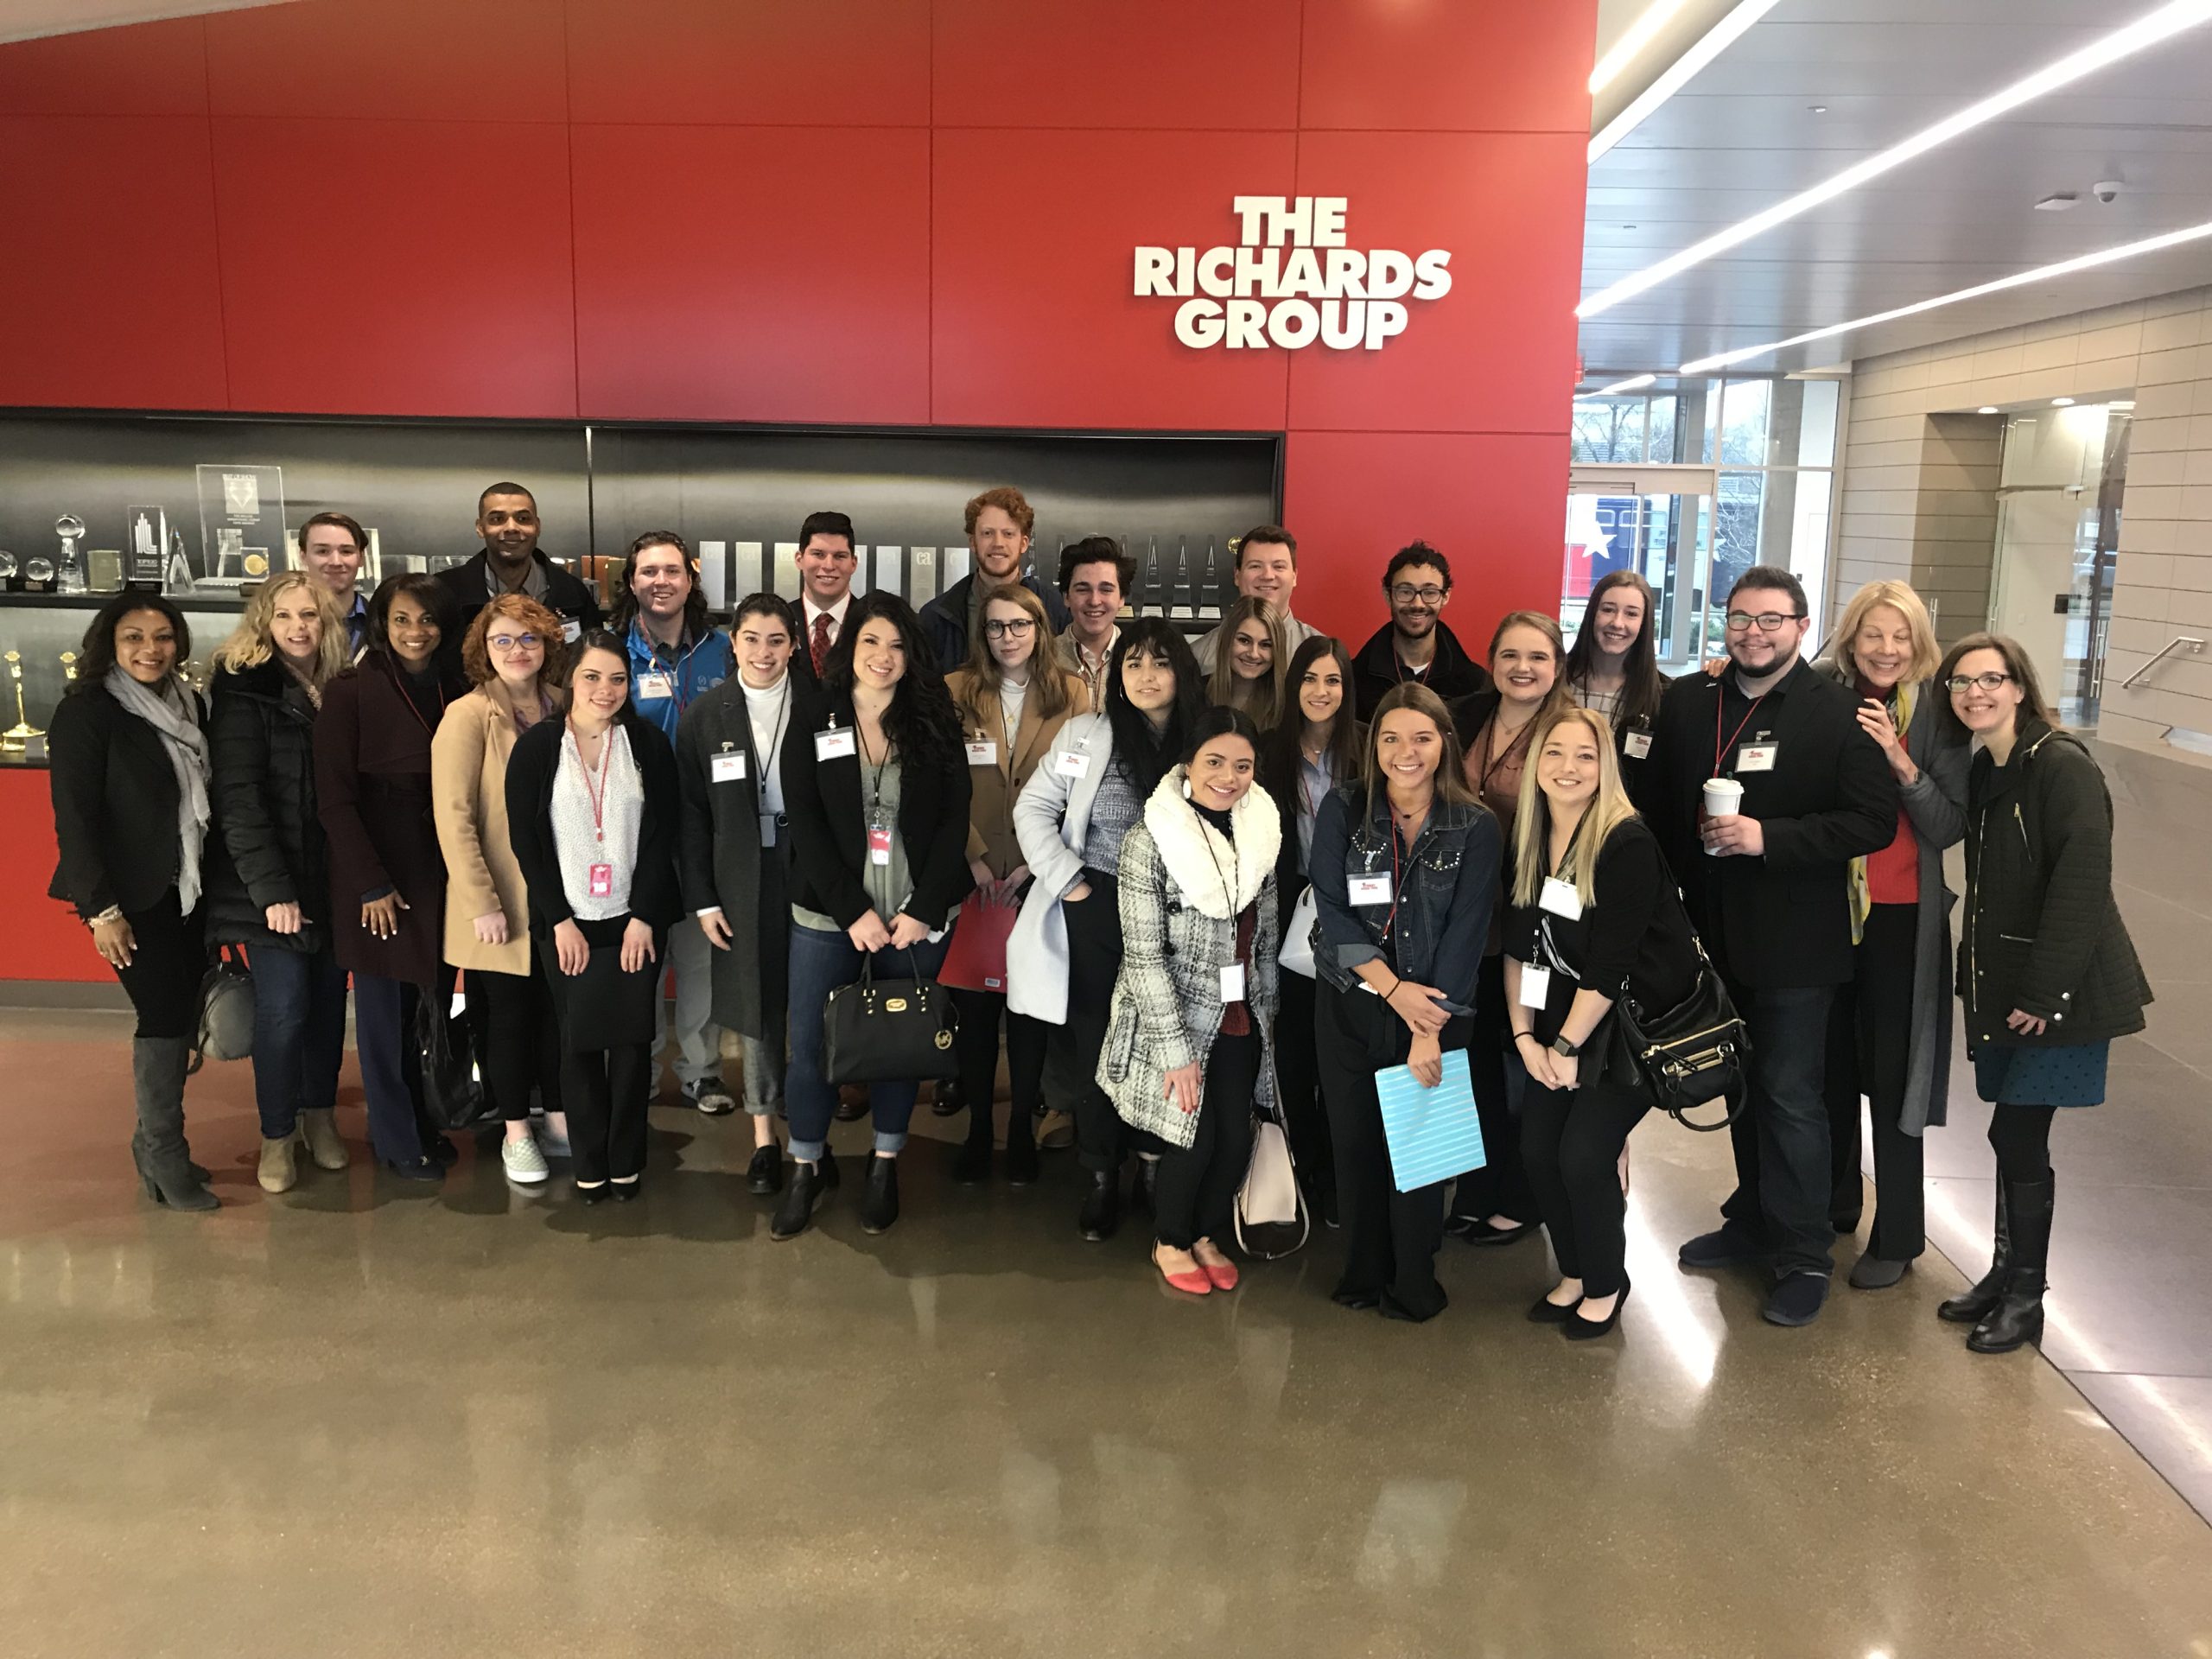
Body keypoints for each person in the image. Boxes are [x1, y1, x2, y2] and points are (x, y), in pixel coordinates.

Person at [1644, 565, 1898, 1327]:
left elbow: (1872, 822)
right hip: (1710, 937)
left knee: (1790, 1097)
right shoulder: (1693, 700)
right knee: (1739, 1086)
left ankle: (1803, 1253)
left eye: (1770, 620)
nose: (1753, 633)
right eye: (1740, 618)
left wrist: (1769, 838)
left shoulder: (1841, 713)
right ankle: (1753, 1218)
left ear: (1801, 625)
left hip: (1797, 947)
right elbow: (1660, 805)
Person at [1938, 632, 2151, 1355]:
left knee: (2016, 1134)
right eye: (1962, 682)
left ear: (2020, 687)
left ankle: (2026, 1296)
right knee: (2011, 1134)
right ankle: (2005, 1276)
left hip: (2061, 993)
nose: (1976, 693)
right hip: (2010, 988)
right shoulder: (1990, 767)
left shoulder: (2061, 766)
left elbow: (2082, 885)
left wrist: (2043, 992)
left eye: (1991, 680)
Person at [775, 593, 975, 1240]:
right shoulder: (817, 713)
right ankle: (806, 1164)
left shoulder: (933, 715)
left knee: (899, 1043)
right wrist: (851, 909)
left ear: (911, 654)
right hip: (830, 914)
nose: (883, 657)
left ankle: (885, 1162)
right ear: (849, 647)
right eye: (870, 642)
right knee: (810, 1047)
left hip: (912, 915)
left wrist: (925, 908)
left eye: (896, 645)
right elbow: (805, 819)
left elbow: (954, 819)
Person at [1505, 707, 1700, 1339]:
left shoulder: (1624, 842)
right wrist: (1525, 1037)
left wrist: (1564, 1046)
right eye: (1555, 752)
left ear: (1605, 767)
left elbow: (1612, 969)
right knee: (1538, 1151)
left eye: (1585, 755)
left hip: (1629, 1031)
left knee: (1584, 1156)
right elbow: (1518, 950)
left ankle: (1606, 1283)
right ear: (1536, 764)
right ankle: (1574, 1271)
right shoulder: (1530, 838)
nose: (1568, 767)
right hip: (1559, 1023)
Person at [1011, 619, 1206, 1240]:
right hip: (1095, 904)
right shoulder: (1086, 733)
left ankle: (1152, 1164)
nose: (1147, 676)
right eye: (1133, 663)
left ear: (1182, 672)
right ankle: (1100, 1172)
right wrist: (1069, 881)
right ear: (1117, 675)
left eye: (1161, 663)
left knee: (1163, 1038)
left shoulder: (1204, 738)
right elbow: (1033, 807)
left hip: (1175, 914)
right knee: (1097, 1043)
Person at [1309, 683, 1498, 1320]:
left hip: (1435, 1013)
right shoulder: (1344, 807)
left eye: (1421, 737)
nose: (1405, 752)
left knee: (1419, 1153)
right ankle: (1362, 1274)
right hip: (1352, 1002)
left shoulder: (1475, 825)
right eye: (1390, 738)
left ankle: (1413, 1281)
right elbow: (1332, 911)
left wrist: (1426, 1030)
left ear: (1445, 742)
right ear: (1374, 745)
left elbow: (1467, 934)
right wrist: (1393, 991)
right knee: (1355, 1144)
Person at [1815, 582, 1968, 1289]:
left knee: (1893, 1076)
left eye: (1901, 636)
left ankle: (1900, 1233)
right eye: (1873, 634)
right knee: (1828, 1067)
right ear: (1851, 638)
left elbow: (1947, 824)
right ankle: (1834, 1202)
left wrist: (1901, 762)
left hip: (1903, 915)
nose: (1886, 649)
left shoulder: (1937, 711)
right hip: (1826, 911)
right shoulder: (1823, 692)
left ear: (1919, 643)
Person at [48, 592, 219, 1211]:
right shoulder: (87, 712)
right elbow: (75, 820)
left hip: (187, 890)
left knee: (180, 1014)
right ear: (110, 644)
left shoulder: (189, 703)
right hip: (129, 898)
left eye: (163, 636)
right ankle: (164, 1153)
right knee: (163, 1016)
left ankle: (154, 1148)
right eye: (134, 637)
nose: (151, 649)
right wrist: (101, 913)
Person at [1100, 708, 1280, 1294]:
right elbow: (1143, 957)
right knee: (1191, 1138)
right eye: (1215, 762)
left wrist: (1268, 1019)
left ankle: (1204, 1232)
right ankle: (1171, 1240)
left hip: (1240, 1013)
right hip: (1174, 1018)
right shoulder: (1150, 838)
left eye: (1242, 766)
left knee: (1235, 1140)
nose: (1228, 777)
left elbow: (1267, 939)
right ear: (1188, 764)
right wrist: (1175, 1052)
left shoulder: (1260, 831)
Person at [505, 633, 682, 1203]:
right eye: (592, 677)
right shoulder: (537, 748)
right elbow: (527, 844)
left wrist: (645, 916)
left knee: (632, 1044)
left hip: (634, 919)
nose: (605, 690)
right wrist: (559, 920)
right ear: (570, 679)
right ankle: (589, 1163)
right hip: (568, 922)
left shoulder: (648, 744)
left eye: (617, 679)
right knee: (576, 1042)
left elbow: (663, 836)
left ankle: (626, 1161)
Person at [205, 572, 354, 1194]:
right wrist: (272, 892)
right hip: (272, 888)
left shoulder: (340, 687)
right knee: (284, 1011)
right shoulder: (245, 689)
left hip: (333, 880)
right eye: (285, 615)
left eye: (310, 615)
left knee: (327, 1008)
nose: (299, 627)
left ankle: (320, 1118)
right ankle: (275, 1134)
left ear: (328, 622)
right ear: (265, 622)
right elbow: (239, 801)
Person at [315, 575, 467, 1180]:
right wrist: (370, 884)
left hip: (441, 868)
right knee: (383, 1016)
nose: (415, 632)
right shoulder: (350, 690)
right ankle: (396, 1138)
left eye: (427, 619)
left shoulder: (456, 684)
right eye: (401, 619)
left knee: (427, 1008)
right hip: (381, 874)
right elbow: (334, 801)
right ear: (381, 623)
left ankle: (424, 1120)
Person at [943, 585, 1087, 1185]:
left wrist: (1036, 863)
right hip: (972, 877)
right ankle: (979, 1129)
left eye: (1020, 625)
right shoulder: (954, 690)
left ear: (1040, 629)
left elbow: (1079, 792)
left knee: (1029, 1010)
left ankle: (1021, 1129)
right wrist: (974, 858)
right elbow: (942, 782)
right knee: (975, 1014)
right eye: (996, 627)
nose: (1008, 637)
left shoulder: (1072, 694)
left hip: (1039, 877)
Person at [431, 593, 572, 1184]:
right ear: (483, 650)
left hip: (560, 893)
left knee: (558, 1012)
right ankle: (516, 1133)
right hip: (499, 899)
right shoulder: (467, 716)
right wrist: (481, 903)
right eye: (503, 640)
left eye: (530, 638)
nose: (518, 650)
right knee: (509, 1018)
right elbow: (454, 817)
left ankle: (559, 1118)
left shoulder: (565, 704)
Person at [1444, 611, 1573, 1245]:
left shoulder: (1571, 731)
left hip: (1534, 924)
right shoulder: (1464, 716)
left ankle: (1525, 1196)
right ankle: (1476, 1185)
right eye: (1511, 655)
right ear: (1491, 661)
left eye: (1538, 657)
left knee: (1525, 1060)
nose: (1523, 668)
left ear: (1558, 666)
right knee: (1472, 1061)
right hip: (1465, 920)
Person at [677, 594, 803, 1195]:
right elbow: (690, 815)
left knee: (810, 1000)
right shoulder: (706, 715)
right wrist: (704, 899)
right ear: (734, 643)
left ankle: (808, 1132)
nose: (763, 652)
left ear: (794, 646)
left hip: (808, 869)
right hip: (739, 875)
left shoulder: (821, 708)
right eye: (751, 639)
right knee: (755, 1007)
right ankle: (763, 1138)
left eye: (776, 640)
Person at [611, 530, 737, 1115]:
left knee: (699, 959)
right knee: (638, 959)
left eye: (671, 571)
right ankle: (636, 1069)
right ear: (631, 582)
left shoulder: (724, 650)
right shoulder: (613, 654)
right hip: (632, 833)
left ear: (690, 579)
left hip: (704, 830)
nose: (660, 581)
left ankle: (702, 1072)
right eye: (648, 571)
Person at [1260, 633, 1363, 1226]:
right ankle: (1304, 1168)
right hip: (1288, 915)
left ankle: (1344, 1174)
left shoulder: (1368, 748)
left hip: (1358, 917)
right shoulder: (1268, 752)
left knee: (1345, 1053)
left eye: (1333, 680)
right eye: (1309, 679)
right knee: (1296, 1050)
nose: (1321, 691)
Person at [920, 486, 1070, 671]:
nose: (998, 543)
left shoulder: (1054, 608)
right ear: (973, 542)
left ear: (1024, 543)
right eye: (987, 533)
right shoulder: (936, 617)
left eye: (1008, 534)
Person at [435, 481, 602, 640]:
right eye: (497, 519)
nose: (511, 528)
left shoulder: (574, 594)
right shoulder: (444, 593)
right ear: (480, 528)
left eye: (523, 519)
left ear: (537, 526)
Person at [1350, 541, 1488, 720]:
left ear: (1445, 596)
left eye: (1429, 592)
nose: (1417, 604)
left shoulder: (1475, 685)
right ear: (1388, 595)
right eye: (1406, 591)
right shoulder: (1352, 679)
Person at [1562, 569, 1667, 793]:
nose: (1618, 623)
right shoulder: (1556, 681)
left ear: (1644, 624)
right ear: (1592, 614)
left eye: (1631, 614)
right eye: (1608, 610)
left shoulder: (1663, 695)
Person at [1191, 524, 1320, 673]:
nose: (1267, 576)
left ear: (1294, 577)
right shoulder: (1198, 658)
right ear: (1237, 576)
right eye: (1255, 566)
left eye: (1278, 567)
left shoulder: (1320, 653)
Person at [1055, 535, 1131, 714]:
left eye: (1106, 590)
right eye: (1083, 589)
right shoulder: (1042, 659)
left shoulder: (1141, 659)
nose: (1095, 601)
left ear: (1122, 598)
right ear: (1066, 597)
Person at [791, 509, 861, 688]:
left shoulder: (872, 621)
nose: (829, 565)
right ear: (799, 559)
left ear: (853, 563)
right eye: (818, 554)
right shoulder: (780, 620)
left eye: (839, 556)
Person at [1207, 595, 1287, 730]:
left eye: (1266, 645)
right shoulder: (1196, 694)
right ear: (1226, 640)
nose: (1253, 654)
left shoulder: (1290, 703)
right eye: (1244, 641)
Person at [298, 511, 372, 657]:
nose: (336, 562)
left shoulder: (383, 624)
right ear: (303, 557)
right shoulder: (279, 626)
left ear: (361, 558)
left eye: (346, 551)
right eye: (323, 551)